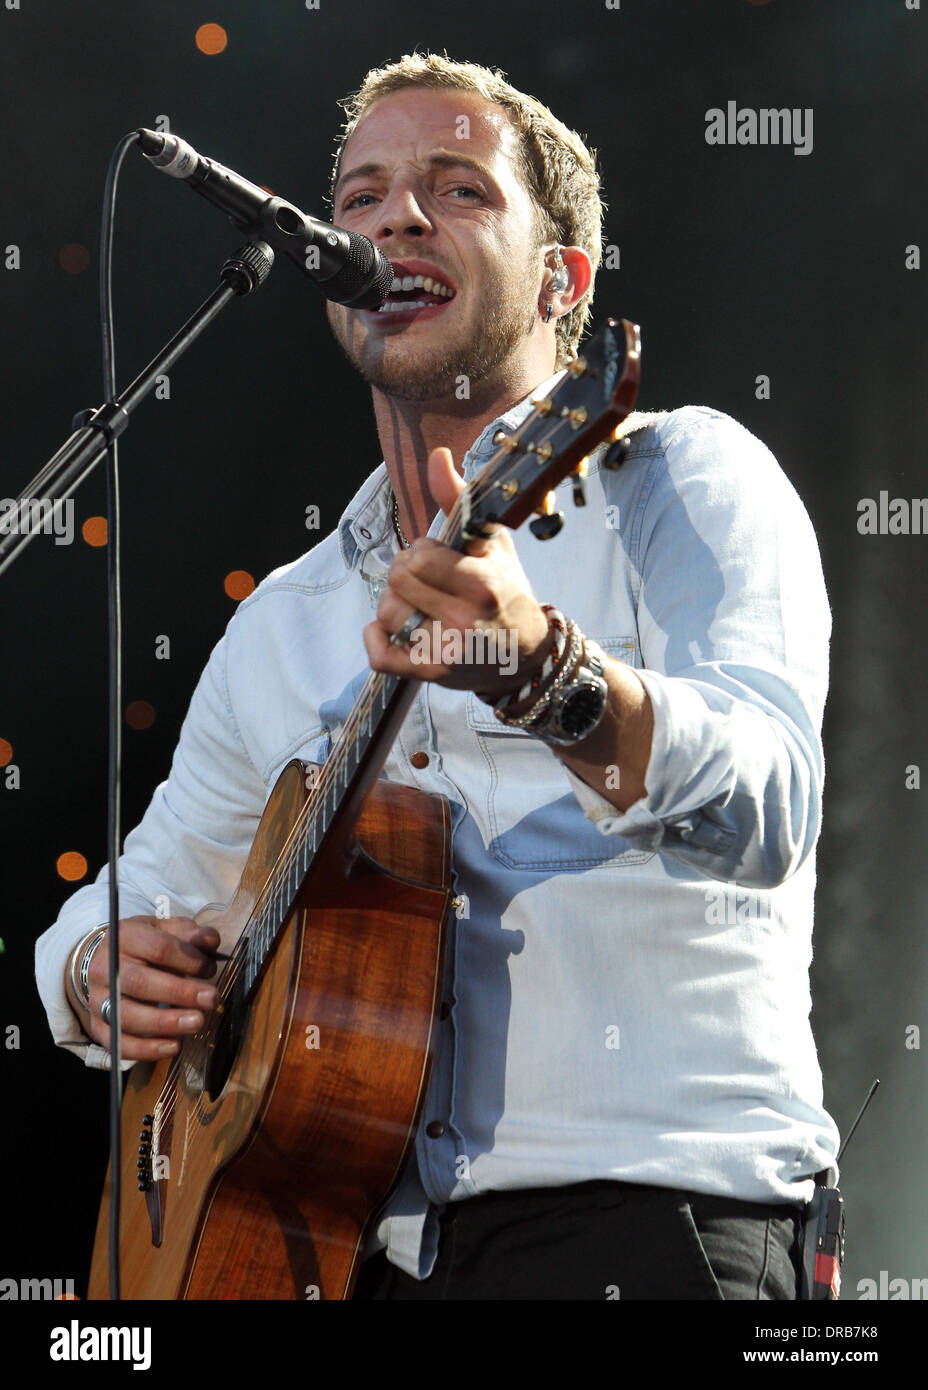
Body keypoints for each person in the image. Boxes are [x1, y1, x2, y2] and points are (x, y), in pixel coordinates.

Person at [35, 52, 839, 1300]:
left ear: (562, 280)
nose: (393, 217)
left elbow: (772, 800)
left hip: (653, 1225)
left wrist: (543, 673)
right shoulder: (286, 619)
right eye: (358, 198)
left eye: (457, 188)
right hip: (364, 1249)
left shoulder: (676, 480)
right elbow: (137, 885)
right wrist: (93, 970)